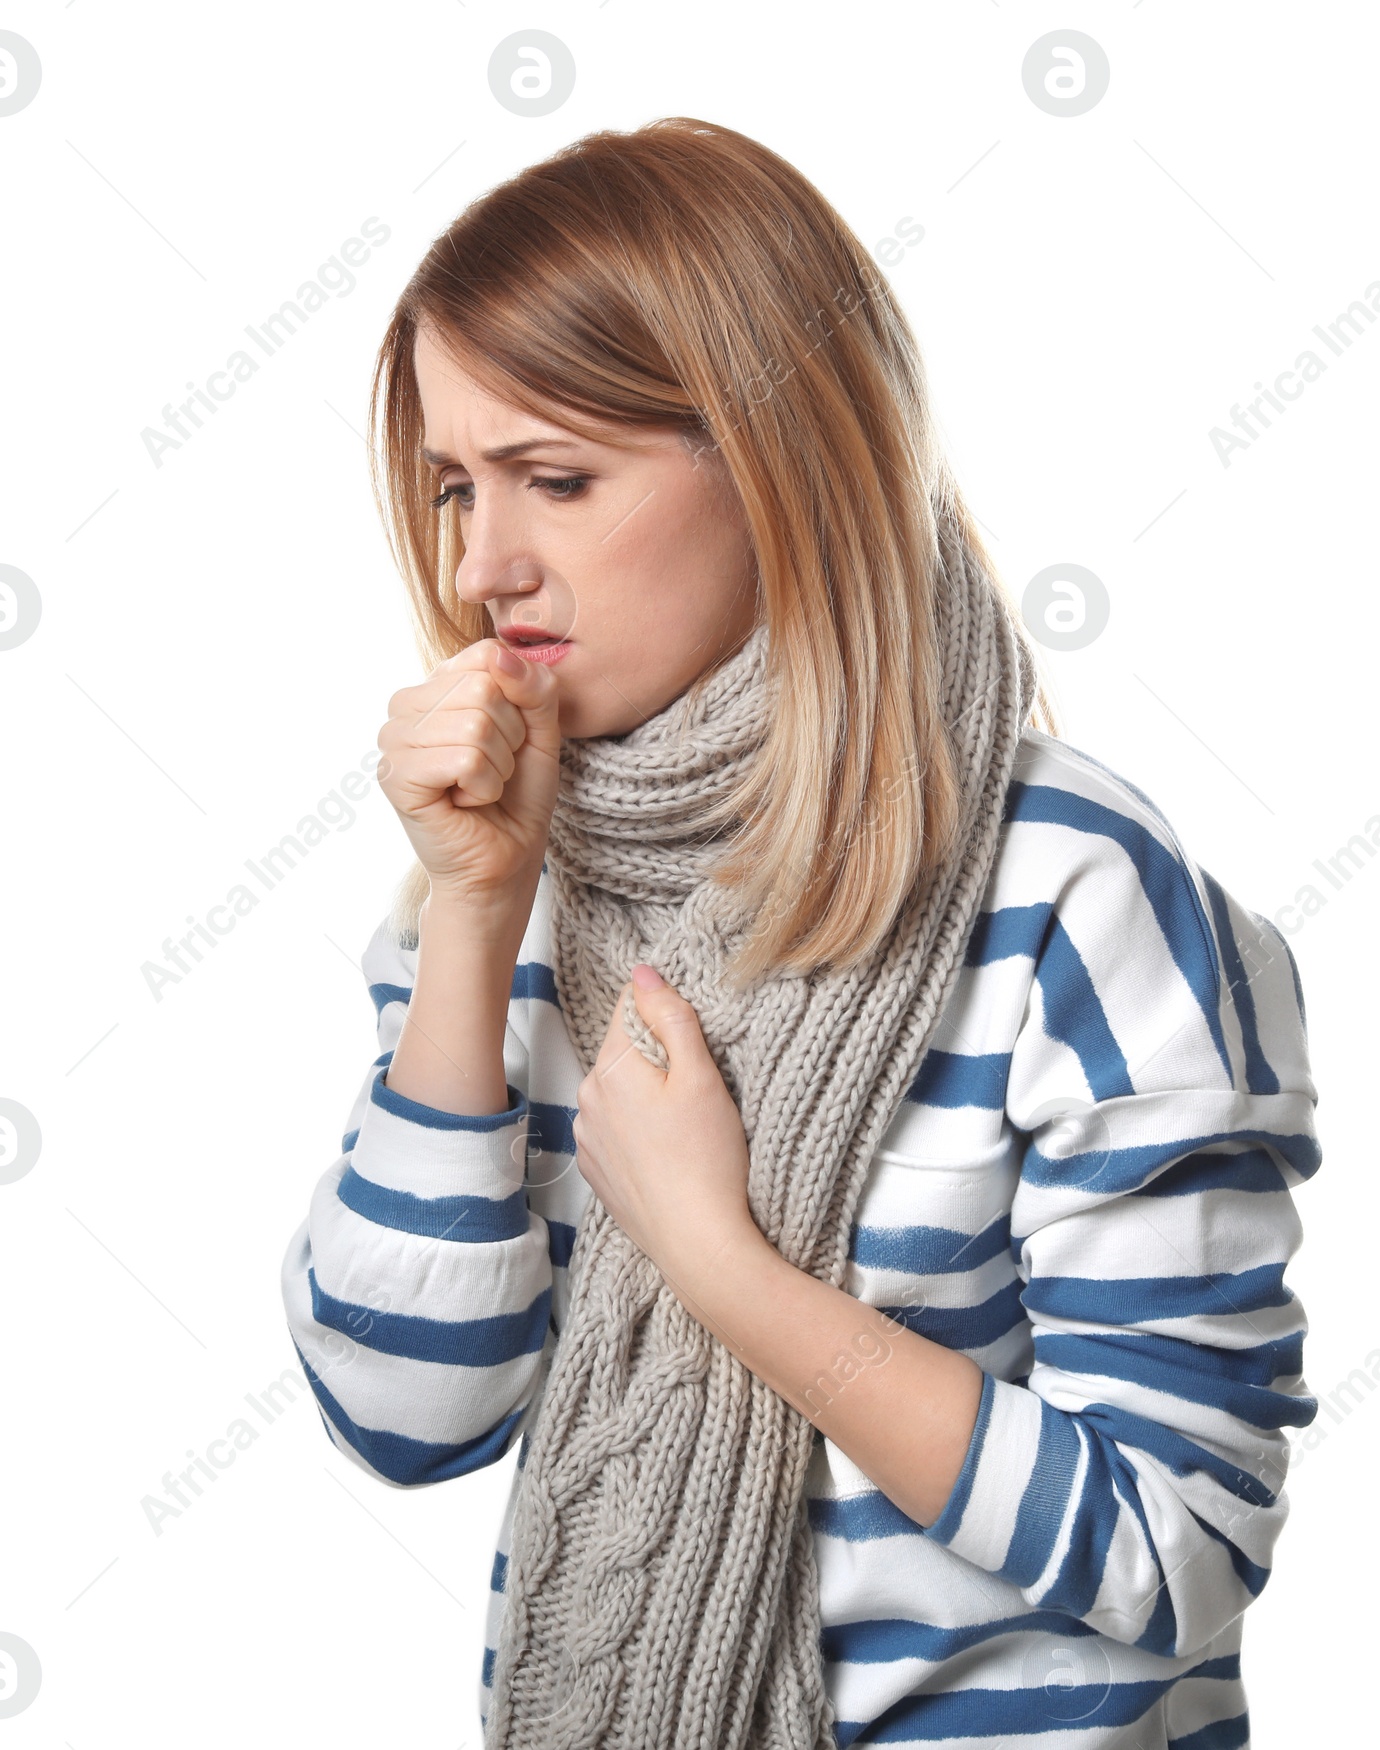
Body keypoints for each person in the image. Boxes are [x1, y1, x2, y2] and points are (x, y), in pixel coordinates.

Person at [278, 116, 1321, 1750]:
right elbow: (405, 1410)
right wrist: (478, 912)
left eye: (557, 478)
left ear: (780, 464)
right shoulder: (508, 883)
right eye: (453, 489)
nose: (484, 565)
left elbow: (1169, 1549)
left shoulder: (1074, 892)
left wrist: (722, 1268)